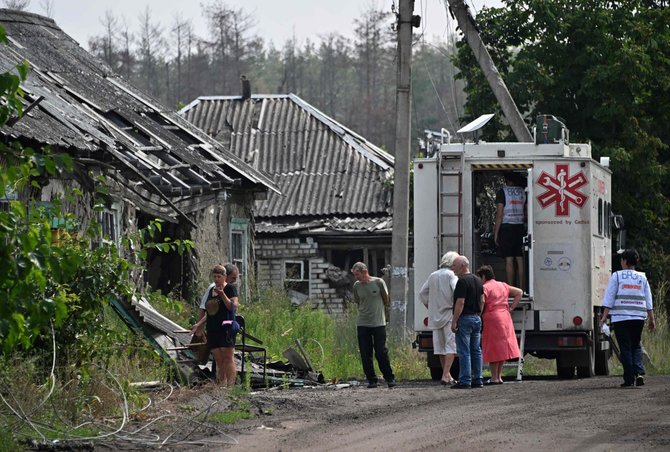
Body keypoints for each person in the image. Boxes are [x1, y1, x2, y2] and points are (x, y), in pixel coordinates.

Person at [599, 249, 655, 387]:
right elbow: (649, 300)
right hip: (638, 318)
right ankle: (639, 372)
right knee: (636, 345)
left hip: (621, 318)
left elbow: (609, 298)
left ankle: (629, 378)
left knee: (625, 347)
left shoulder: (617, 276)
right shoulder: (642, 277)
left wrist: (604, 317)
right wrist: (652, 319)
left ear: (624, 261)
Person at [191, 264, 239, 386]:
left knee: (227, 358)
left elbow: (232, 307)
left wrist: (222, 294)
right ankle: (221, 385)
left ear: (224, 277)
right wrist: (199, 324)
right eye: (215, 276)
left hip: (226, 327)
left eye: (219, 276)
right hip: (213, 328)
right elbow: (210, 312)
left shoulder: (230, 289)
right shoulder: (211, 290)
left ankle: (231, 386)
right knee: (218, 359)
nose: (216, 279)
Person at [351, 262, 396, 389]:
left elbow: (386, 300)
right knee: (365, 353)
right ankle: (372, 380)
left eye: (357, 274)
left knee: (381, 351)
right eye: (354, 275)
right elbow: (358, 301)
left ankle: (389, 377)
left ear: (364, 271)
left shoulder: (378, 283)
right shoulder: (356, 286)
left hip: (378, 323)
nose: (356, 277)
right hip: (363, 323)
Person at [476, 265, 522, 384]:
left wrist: (478, 314)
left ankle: (494, 377)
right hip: (505, 316)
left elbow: (482, 301)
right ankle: (499, 376)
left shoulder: (485, 287)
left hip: (492, 317)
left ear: (484, 276)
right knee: (502, 347)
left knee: (493, 347)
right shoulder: (503, 285)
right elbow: (519, 292)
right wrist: (511, 307)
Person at [419, 251, 460, 385]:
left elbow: (422, 293)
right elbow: (456, 291)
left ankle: (447, 375)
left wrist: (430, 306)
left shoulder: (433, 275)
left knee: (440, 348)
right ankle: (445, 375)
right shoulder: (451, 275)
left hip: (435, 315)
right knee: (451, 347)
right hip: (448, 314)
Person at [450, 256, 484, 389]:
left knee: (464, 351)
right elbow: (482, 300)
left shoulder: (462, 281)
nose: (452, 268)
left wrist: (454, 321)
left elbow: (460, 302)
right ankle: (478, 379)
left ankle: (465, 380)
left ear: (462, 266)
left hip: (465, 318)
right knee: (476, 350)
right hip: (476, 318)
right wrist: (478, 314)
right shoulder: (478, 280)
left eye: (454, 265)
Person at [494, 172, 527, 290]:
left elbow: (499, 214)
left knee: (509, 258)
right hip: (520, 226)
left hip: (507, 227)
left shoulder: (502, 192)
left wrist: (496, 233)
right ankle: (522, 289)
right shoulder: (523, 192)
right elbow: (526, 211)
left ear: (506, 180)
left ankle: (512, 289)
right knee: (520, 258)